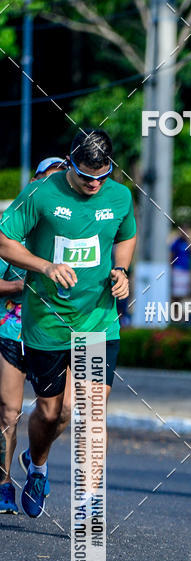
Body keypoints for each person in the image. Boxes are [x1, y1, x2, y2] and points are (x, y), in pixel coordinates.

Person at [0, 128, 136, 518]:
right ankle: (37, 465)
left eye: (102, 175)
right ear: (71, 162)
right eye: (85, 175)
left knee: (92, 410)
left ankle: (89, 502)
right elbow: (5, 240)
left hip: (97, 320)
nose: (94, 183)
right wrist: (44, 266)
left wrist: (121, 270)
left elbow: (126, 234)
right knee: (50, 412)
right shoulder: (41, 193)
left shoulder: (120, 195)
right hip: (47, 323)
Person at [0, 157, 68, 514]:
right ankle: (3, 484)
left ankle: (34, 455)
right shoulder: (13, 225)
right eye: (47, 181)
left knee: (63, 411)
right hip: (11, 331)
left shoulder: (72, 228)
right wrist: (19, 285)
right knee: (9, 411)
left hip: (55, 333)